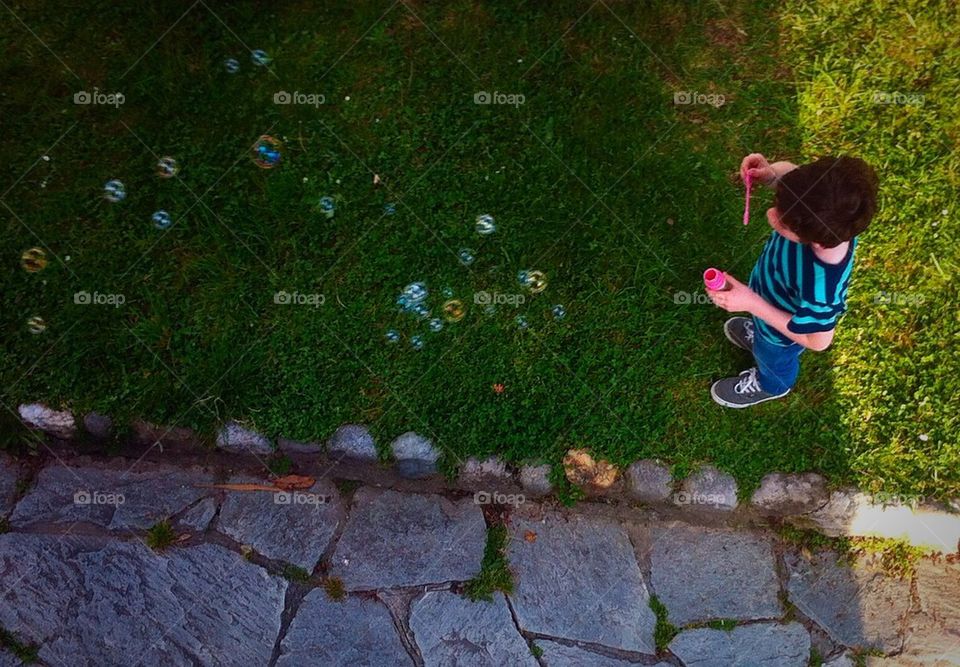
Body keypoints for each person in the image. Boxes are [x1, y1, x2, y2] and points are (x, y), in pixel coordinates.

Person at [707, 153, 878, 407]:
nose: (770, 214)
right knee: (763, 333)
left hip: (782, 334)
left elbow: (817, 341)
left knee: (772, 356)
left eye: (783, 221)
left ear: (816, 241)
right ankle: (759, 334)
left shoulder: (822, 287)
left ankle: (772, 385)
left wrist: (752, 304)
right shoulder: (820, 206)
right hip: (769, 294)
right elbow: (791, 172)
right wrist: (771, 174)